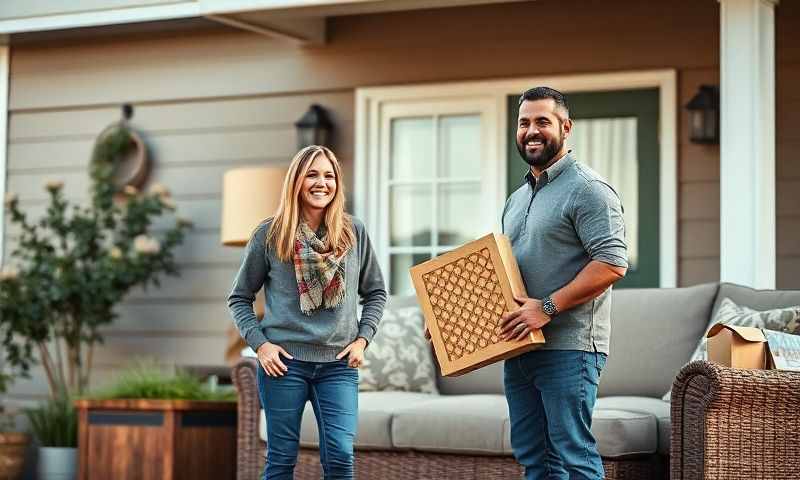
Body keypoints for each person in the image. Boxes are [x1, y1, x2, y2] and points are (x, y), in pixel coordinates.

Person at [227, 145, 387, 480]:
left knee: (341, 458)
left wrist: (362, 340)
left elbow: (375, 292)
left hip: (339, 364)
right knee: (281, 461)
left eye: (329, 175)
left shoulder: (353, 233)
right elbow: (239, 298)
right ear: (296, 181)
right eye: (312, 174)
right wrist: (261, 345)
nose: (321, 182)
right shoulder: (269, 234)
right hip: (284, 365)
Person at [499, 87, 628, 479]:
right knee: (533, 457)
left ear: (566, 127)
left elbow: (611, 263)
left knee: (573, 454)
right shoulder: (516, 198)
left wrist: (547, 307)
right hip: (520, 347)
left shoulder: (589, 190)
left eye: (542, 121)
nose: (531, 131)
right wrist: (448, 320)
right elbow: (507, 273)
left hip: (569, 348)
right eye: (524, 123)